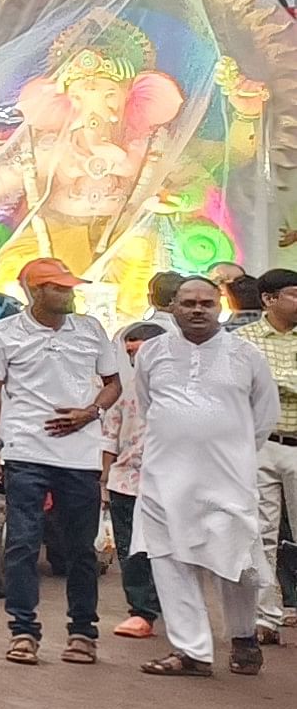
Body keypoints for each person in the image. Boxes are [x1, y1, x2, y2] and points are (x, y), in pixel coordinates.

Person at [0, 255, 125, 664]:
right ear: (36, 291)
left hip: (80, 455)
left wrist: (89, 412)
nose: (70, 293)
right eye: (61, 287)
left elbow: (113, 385)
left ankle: (82, 633)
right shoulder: (4, 333)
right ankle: (23, 631)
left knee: (81, 548)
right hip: (26, 450)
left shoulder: (91, 330)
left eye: (71, 287)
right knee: (21, 543)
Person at [129, 275, 274, 679]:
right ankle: (192, 652)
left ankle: (243, 637)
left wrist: (229, 448)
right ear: (173, 306)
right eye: (188, 302)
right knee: (169, 559)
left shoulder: (246, 355)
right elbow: (148, 406)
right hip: (163, 478)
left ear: (220, 307)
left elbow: (263, 417)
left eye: (206, 303)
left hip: (227, 478)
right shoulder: (152, 353)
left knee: (238, 559)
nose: (197, 309)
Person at [103, 273, 183, 640]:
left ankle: (174, 608)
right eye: (130, 353)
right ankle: (142, 611)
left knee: (172, 549)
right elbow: (109, 438)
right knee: (131, 550)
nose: (136, 359)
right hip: (127, 482)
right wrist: (103, 481)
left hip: (174, 482)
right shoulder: (126, 392)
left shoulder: (185, 390)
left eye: (141, 352)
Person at [243, 269, 297, 643]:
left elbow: (265, 385)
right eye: (294, 294)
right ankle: (266, 617)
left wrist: (275, 382)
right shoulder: (242, 340)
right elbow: (242, 388)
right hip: (257, 445)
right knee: (259, 534)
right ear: (269, 299)